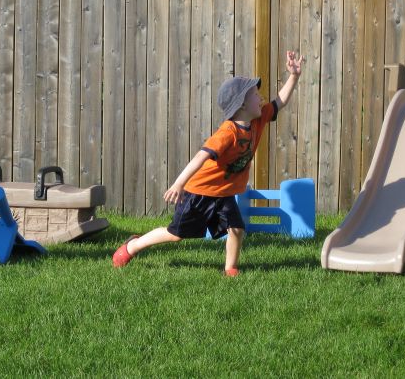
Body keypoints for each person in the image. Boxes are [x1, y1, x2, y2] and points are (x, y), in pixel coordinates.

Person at [113, 51, 304, 276]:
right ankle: (133, 246)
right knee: (176, 235)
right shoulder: (227, 133)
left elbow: (279, 102)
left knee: (236, 229)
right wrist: (179, 183)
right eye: (255, 94)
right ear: (242, 104)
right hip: (199, 192)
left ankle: (230, 269)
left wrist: (294, 76)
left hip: (224, 193)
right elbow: (200, 157)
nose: (261, 97)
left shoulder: (258, 120)